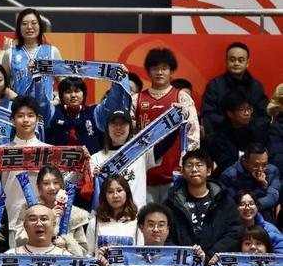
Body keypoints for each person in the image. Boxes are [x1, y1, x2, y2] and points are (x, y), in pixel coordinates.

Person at [131, 48, 200, 203]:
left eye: (164, 68)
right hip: (144, 176)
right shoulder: (136, 99)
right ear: (148, 71)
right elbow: (129, 138)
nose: (160, 72)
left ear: (171, 71)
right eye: (155, 68)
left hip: (175, 174)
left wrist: (188, 167)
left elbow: (193, 137)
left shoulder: (182, 98)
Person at [90, 109, 176, 209]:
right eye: (114, 124)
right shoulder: (96, 158)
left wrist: (177, 115)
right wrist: (94, 176)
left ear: (130, 127)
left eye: (123, 124)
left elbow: (164, 145)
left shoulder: (140, 152)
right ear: (107, 128)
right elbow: (91, 191)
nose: (118, 128)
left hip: (136, 216)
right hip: (107, 216)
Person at [1, 96, 50, 246]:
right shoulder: (0, 152)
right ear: (12, 120)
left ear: (38, 120)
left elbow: (62, 184)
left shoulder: (50, 151)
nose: (26, 120)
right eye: (20, 116)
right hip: (11, 221)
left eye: (30, 115)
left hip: (43, 223)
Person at [43, 75, 130, 155]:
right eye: (68, 92)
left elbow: (113, 101)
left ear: (84, 94)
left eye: (77, 91)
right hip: (56, 165)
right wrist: (38, 78)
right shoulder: (52, 112)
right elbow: (40, 102)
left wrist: (118, 78)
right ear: (61, 96)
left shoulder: (94, 113)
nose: (73, 95)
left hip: (92, 164)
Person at [15, 165, 89, 256]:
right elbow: (19, 241)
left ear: (61, 184)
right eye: (46, 183)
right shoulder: (29, 208)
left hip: (64, 263)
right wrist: (49, 216)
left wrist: (67, 242)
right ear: (39, 187)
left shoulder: (74, 213)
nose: (52, 188)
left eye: (56, 182)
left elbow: (83, 252)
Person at [202, 42, 269, 138]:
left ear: (247, 63)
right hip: (221, 136)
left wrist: (247, 122)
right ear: (226, 62)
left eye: (240, 60)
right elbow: (208, 114)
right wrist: (233, 123)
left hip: (251, 136)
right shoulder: (214, 85)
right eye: (232, 60)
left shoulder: (256, 86)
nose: (236, 63)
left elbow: (263, 115)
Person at [1, 8, 62, 100]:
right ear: (19, 28)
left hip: (47, 106)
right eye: (24, 24)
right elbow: (2, 84)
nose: (29, 27)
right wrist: (16, 99)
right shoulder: (9, 54)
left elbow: (63, 83)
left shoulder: (52, 52)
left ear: (40, 26)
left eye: (34, 23)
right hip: (20, 107)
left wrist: (56, 100)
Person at [206, 88, 268, 176]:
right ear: (230, 113)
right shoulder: (220, 139)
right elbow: (226, 167)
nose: (247, 113)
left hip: (259, 175)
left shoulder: (257, 131)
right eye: (242, 109)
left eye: (249, 109)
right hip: (232, 179)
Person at [221, 143, 280, 222]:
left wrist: (254, 206)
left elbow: (273, 197)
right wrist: (262, 188)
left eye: (264, 164)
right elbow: (234, 203)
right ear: (245, 162)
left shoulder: (272, 171)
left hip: (263, 211)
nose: (260, 169)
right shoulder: (229, 175)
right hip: (240, 215)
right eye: (256, 165)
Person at [86, 175, 142, 256]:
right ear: (104, 196)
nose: (115, 195)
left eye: (119, 190)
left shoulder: (137, 223)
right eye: (110, 192)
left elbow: (140, 256)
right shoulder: (94, 222)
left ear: (127, 193)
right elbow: (88, 255)